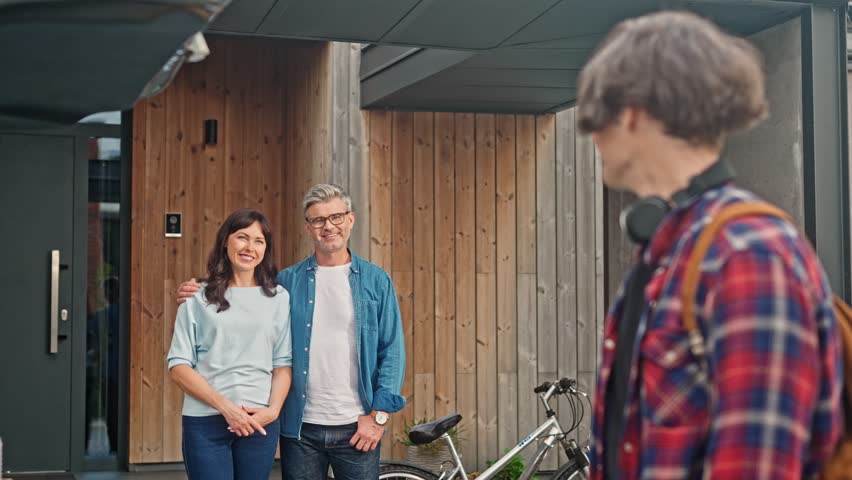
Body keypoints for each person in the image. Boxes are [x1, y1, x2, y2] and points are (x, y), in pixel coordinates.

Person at [576, 11, 844, 480]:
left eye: (597, 117)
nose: (591, 135)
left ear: (636, 112)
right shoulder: (665, 252)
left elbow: (758, 467)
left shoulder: (747, 256)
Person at [177, 184, 406, 480]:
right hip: (300, 430)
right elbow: (243, 293)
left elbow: (392, 351)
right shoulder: (286, 283)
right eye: (318, 220)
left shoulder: (376, 281)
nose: (328, 226)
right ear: (308, 228)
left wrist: (378, 417)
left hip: (357, 427)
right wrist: (199, 288)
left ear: (350, 219)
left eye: (336, 217)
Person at [168, 208, 293, 480]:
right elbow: (178, 366)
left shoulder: (279, 298)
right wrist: (226, 408)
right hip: (206, 421)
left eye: (259, 241)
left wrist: (271, 412)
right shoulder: (197, 297)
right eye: (242, 237)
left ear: (266, 249)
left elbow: (282, 364)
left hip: (258, 422)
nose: (250, 247)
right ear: (226, 241)